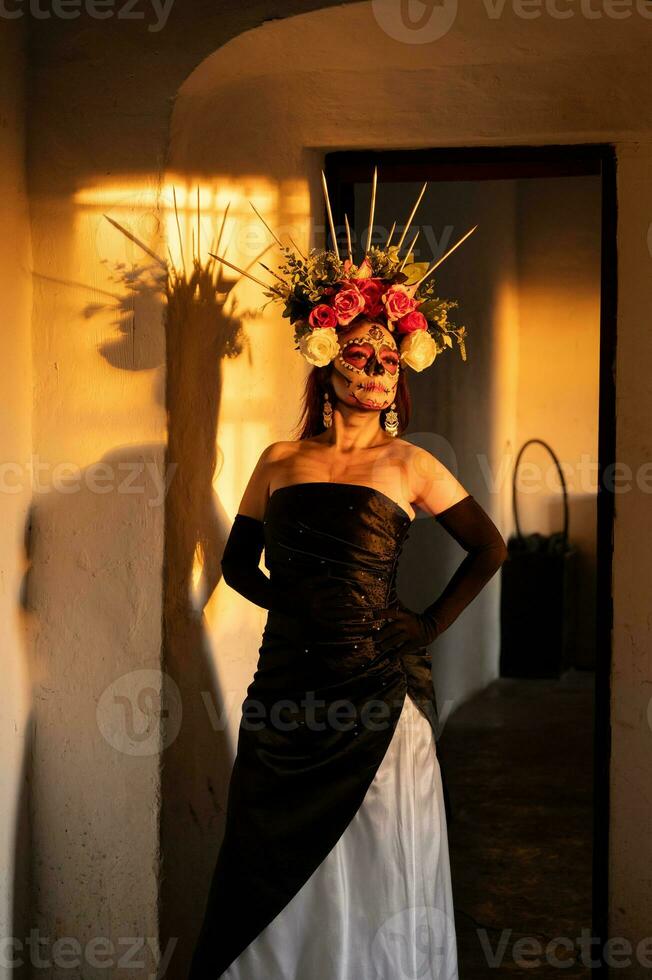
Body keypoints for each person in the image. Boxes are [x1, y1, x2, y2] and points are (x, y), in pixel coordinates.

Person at [188, 179, 508, 979]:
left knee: (372, 843)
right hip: (284, 691)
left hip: (373, 691)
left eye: (389, 358)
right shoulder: (278, 462)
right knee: (266, 848)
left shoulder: (411, 463)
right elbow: (234, 565)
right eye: (360, 352)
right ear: (326, 354)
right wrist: (293, 607)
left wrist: (427, 625)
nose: (374, 369)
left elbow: (491, 548)